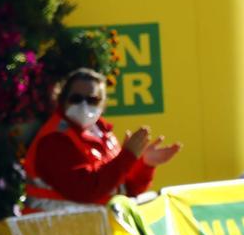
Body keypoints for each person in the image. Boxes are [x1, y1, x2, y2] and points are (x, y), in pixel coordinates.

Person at [22, 68, 180, 212]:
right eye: (76, 98)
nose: (84, 105)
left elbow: (124, 190)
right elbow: (85, 190)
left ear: (103, 104)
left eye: (92, 100)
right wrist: (128, 155)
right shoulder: (54, 139)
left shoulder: (103, 134)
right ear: (63, 100)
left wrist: (145, 165)